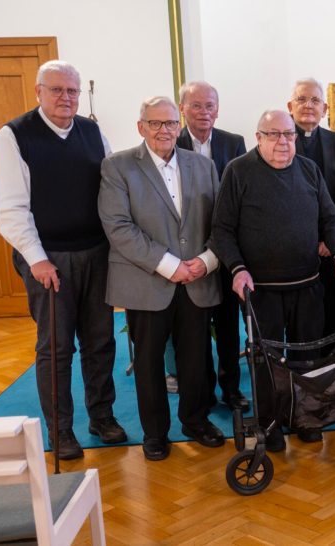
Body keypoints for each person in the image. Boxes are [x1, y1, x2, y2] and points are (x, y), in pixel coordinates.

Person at [0, 60, 126, 460]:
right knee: (56, 347)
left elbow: (109, 190)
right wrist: (37, 259)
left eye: (72, 91)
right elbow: (12, 210)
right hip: (48, 260)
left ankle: (102, 416)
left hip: (96, 254)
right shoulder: (12, 136)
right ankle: (61, 430)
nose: (66, 98)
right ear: (38, 91)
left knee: (101, 342)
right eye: (56, 90)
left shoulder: (93, 132)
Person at [212, 110, 335, 453]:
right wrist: (237, 269)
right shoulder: (239, 171)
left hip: (307, 283)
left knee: (310, 357)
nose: (283, 142)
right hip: (261, 290)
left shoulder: (309, 170)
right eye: (273, 134)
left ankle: (307, 418)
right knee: (267, 361)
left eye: (288, 135)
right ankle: (271, 423)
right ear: (259, 136)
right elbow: (222, 230)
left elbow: (330, 219)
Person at [99, 96, 223, 461]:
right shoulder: (118, 167)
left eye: (170, 123)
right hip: (148, 281)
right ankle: (155, 433)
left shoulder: (203, 165)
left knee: (196, 358)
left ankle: (195, 421)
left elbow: (220, 221)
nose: (164, 131)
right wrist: (171, 265)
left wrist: (205, 261)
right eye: (155, 124)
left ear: (179, 126)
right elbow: (118, 227)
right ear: (141, 127)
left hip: (197, 279)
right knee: (150, 362)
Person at [287, 77, 335, 443]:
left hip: (332, 253)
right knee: (301, 331)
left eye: (315, 100)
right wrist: (307, 241)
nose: (309, 105)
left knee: (332, 322)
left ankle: (332, 396)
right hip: (293, 257)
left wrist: (333, 241)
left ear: (326, 109)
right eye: (302, 99)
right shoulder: (279, 142)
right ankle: (302, 404)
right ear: (290, 106)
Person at [176, 80, 248, 412]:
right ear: (182, 109)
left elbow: (241, 196)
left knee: (229, 328)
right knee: (195, 332)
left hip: (224, 250)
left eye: (210, 106)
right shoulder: (169, 141)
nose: (204, 112)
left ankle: (232, 389)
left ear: (217, 110)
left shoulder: (234, 143)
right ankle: (202, 391)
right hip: (187, 255)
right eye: (196, 105)